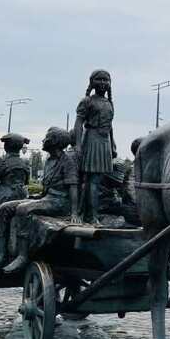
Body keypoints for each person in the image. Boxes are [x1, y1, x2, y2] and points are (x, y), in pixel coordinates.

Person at [0, 127, 81, 275]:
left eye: (46, 137)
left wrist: (74, 212)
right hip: (48, 198)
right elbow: (47, 188)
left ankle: (22, 255)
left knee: (23, 209)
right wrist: (37, 197)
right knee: (4, 207)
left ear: (54, 141)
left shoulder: (67, 161)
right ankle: (1, 254)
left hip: (60, 202)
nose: (43, 140)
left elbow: (73, 187)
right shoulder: (49, 161)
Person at [73, 68, 117, 225]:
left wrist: (112, 144)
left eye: (106, 80)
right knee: (91, 180)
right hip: (91, 139)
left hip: (104, 143)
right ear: (92, 82)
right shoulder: (87, 101)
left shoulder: (109, 103)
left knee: (97, 181)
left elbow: (110, 126)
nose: (103, 83)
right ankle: (91, 216)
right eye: (99, 79)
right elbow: (78, 123)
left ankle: (92, 214)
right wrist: (78, 144)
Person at [0, 132, 31, 209]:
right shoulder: (25, 163)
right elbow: (26, 182)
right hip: (23, 194)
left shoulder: (4, 161)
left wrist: (1, 186)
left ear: (6, 147)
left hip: (7, 195)